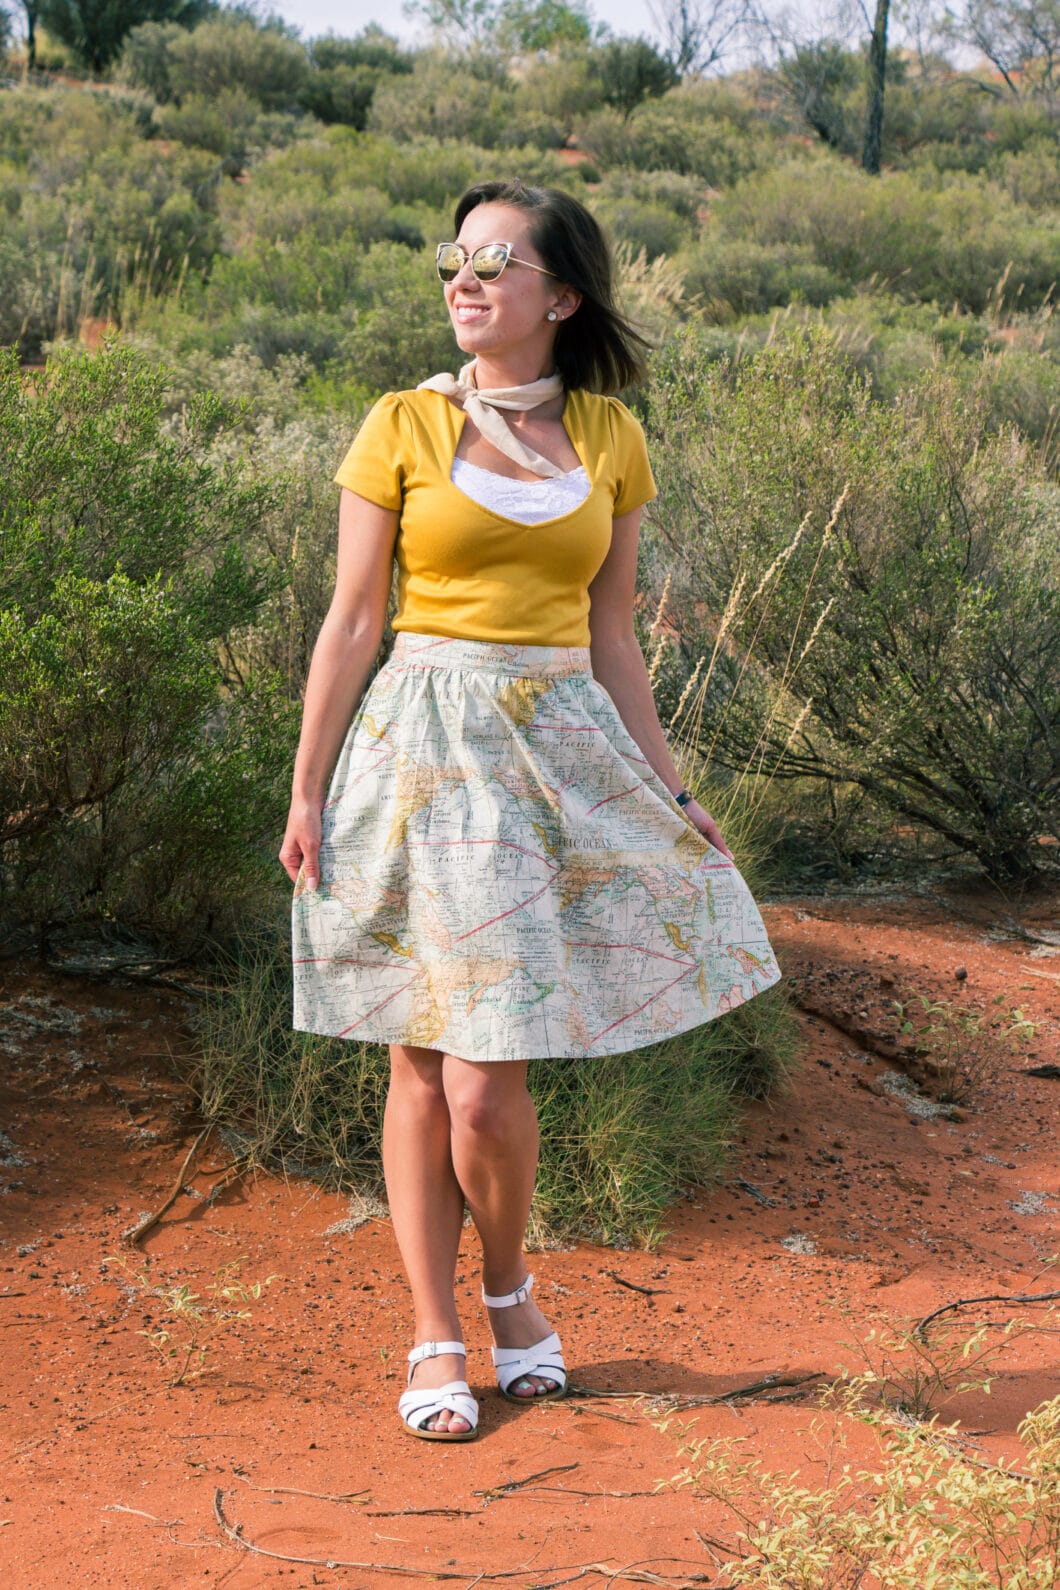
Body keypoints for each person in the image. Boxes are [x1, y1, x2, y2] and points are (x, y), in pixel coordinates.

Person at [279, 179, 782, 1443]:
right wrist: (306, 784)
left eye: (496, 261)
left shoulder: (609, 436)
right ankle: (433, 1329)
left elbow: (614, 638)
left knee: (486, 1084)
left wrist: (668, 788)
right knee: (416, 1051)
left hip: (553, 754)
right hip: (418, 745)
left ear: (559, 296)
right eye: (455, 258)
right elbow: (350, 621)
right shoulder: (398, 423)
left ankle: (509, 1288)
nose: (465, 279)